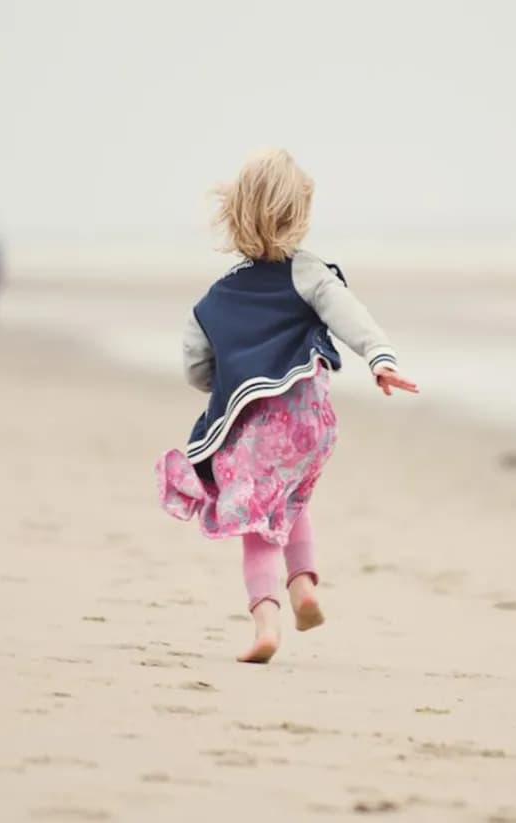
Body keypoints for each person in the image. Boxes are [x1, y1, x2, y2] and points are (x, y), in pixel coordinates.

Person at [154, 149, 418, 664]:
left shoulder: (216, 299)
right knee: (290, 499)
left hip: (260, 432)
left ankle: (266, 623)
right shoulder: (309, 272)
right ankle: (304, 587)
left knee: (258, 519)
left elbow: (195, 367)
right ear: (299, 214)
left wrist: (230, 379)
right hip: (311, 425)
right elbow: (350, 314)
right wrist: (379, 359)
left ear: (237, 215)